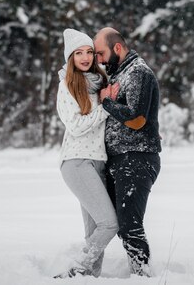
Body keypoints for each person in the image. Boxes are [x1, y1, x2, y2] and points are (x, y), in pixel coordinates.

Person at [93, 27, 162, 277]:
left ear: (118, 48)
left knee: (130, 225)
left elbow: (137, 119)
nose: (98, 59)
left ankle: (142, 276)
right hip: (121, 158)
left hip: (136, 157)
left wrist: (106, 103)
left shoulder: (138, 72)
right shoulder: (119, 74)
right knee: (116, 223)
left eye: (101, 52)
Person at [54, 28, 119, 279]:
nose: (85, 57)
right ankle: (77, 268)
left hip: (99, 162)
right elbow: (76, 126)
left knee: (94, 231)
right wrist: (106, 106)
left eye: (89, 52)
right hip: (77, 162)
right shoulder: (67, 86)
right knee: (109, 224)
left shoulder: (99, 84)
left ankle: (87, 279)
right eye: (78, 53)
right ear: (70, 57)